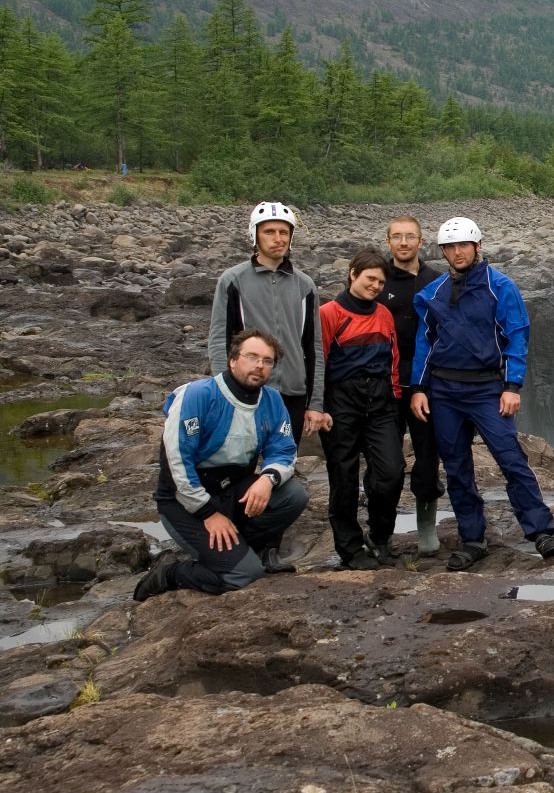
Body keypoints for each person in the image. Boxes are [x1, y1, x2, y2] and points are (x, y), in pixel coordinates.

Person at [410, 216, 554, 570]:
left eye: (463, 244)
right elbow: (424, 345)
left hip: (487, 388)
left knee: (511, 459)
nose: (457, 252)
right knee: (457, 466)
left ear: (477, 246)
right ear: (444, 252)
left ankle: (540, 531)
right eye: (450, 247)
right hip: (445, 391)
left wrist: (512, 385)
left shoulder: (500, 286)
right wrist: (419, 388)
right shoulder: (431, 295)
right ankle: (472, 538)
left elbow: (517, 335)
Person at [136, 330, 310, 601]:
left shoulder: (273, 400)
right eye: (252, 357)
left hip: (232, 489)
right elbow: (176, 464)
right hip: (184, 503)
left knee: (293, 494)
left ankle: (247, 549)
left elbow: (284, 450)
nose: (259, 366)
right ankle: (170, 573)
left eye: (267, 361)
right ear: (232, 360)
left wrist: (267, 479)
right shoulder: (197, 396)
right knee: (244, 575)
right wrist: (208, 514)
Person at [208, 201, 330, 446]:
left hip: (292, 392)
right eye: (269, 232)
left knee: (283, 463)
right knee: (243, 465)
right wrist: (224, 392)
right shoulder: (233, 280)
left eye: (284, 232)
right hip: (247, 389)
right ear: (255, 235)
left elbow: (313, 347)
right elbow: (219, 340)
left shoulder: (305, 285)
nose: (278, 238)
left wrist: (315, 403)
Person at [319, 247, 404, 570]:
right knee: (343, 477)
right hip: (341, 402)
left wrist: (395, 399)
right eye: (370, 279)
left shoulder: (383, 314)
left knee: (392, 472)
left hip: (381, 401)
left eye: (381, 282)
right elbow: (319, 361)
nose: (375, 286)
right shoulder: (329, 313)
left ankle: (380, 536)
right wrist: (319, 407)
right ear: (352, 274)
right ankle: (350, 548)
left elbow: (393, 359)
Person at [378, 215, 445, 555]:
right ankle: (382, 531)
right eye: (397, 237)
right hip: (385, 383)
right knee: (385, 461)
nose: (403, 243)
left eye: (410, 237)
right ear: (388, 242)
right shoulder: (377, 280)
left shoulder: (437, 281)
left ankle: (426, 528)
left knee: (427, 456)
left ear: (422, 242)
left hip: (427, 383)